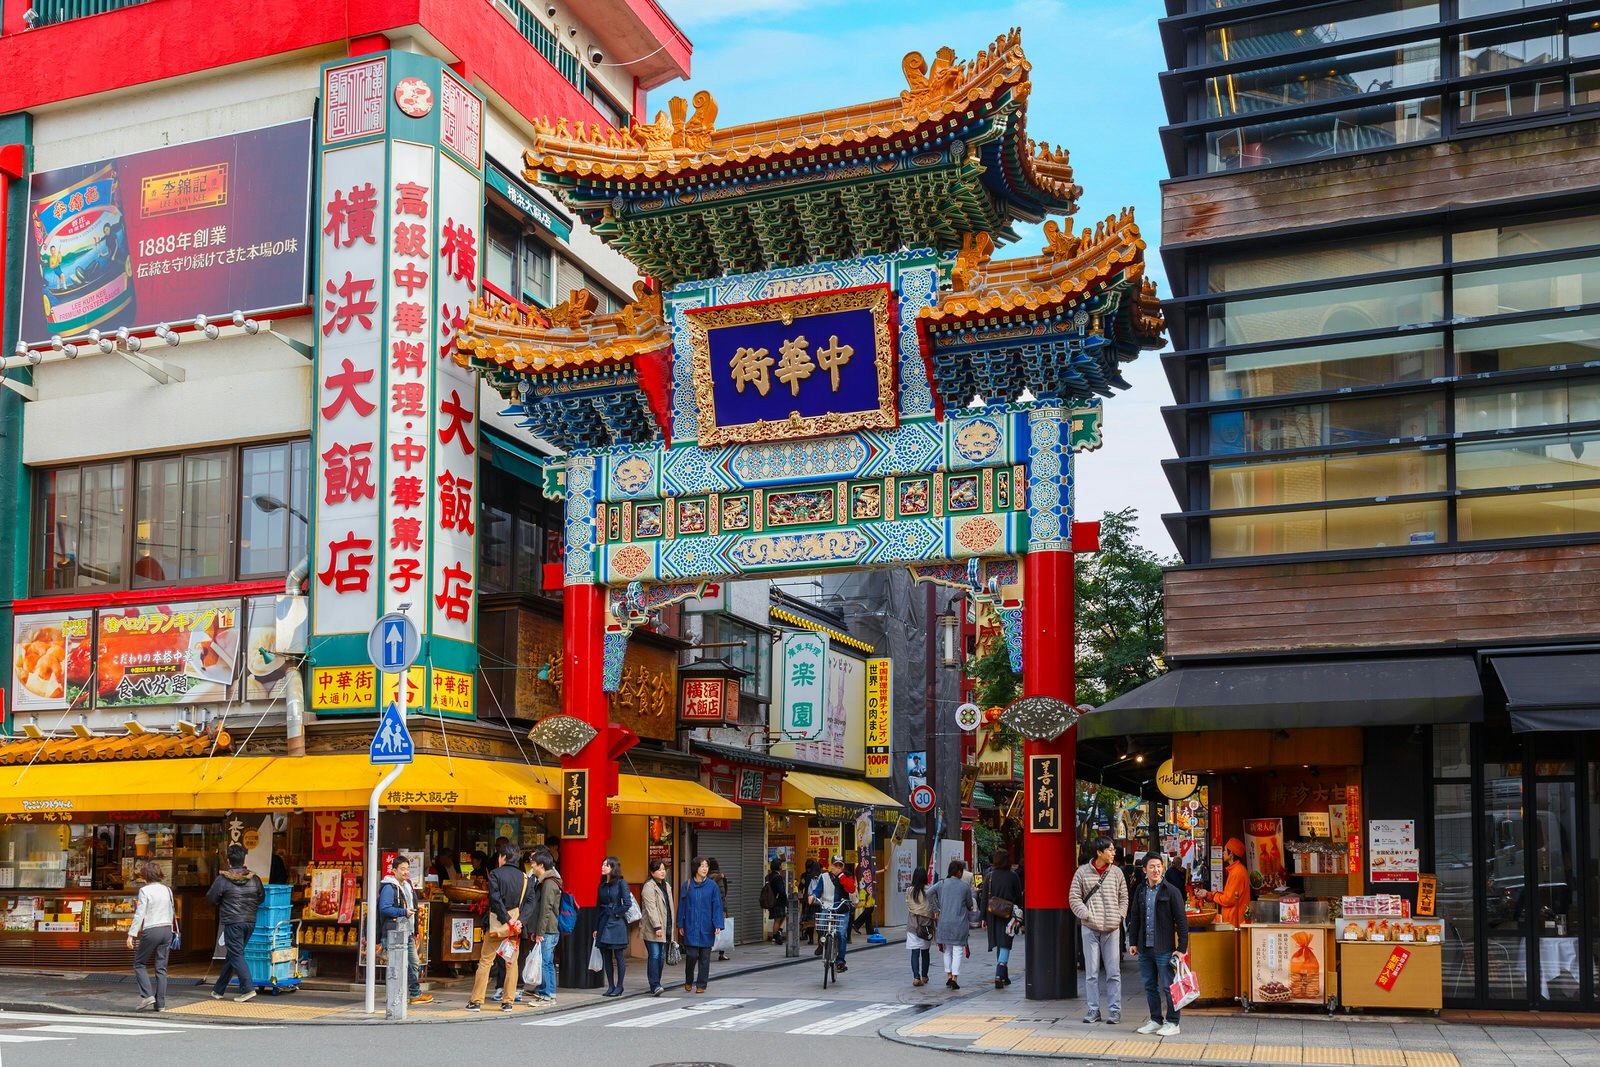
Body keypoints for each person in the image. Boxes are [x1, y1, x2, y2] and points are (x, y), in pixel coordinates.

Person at [1127, 853, 1190, 1038]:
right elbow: (1135, 916)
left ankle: (1173, 1021)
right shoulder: (1140, 890)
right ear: (1144, 870)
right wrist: (1132, 942)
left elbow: (1181, 921)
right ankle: (1156, 1019)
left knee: (1169, 986)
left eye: (1159, 866)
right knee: (1149, 985)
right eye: (1152, 867)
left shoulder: (1171, 891)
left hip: (1165, 947)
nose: (1156, 870)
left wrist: (1181, 948)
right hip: (1144, 947)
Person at [1070, 836, 1129, 1024]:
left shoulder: (1117, 873)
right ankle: (1093, 1010)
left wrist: (1119, 916)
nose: (1113, 853)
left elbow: (1124, 897)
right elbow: (1074, 898)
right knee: (1092, 973)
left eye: (1113, 850)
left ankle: (1114, 1010)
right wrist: (1086, 914)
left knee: (1113, 972)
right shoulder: (1082, 872)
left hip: (1112, 928)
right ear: (1099, 852)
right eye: (1110, 850)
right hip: (1090, 927)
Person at [467, 843, 531, 1012]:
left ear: (503, 857)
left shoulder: (495, 874)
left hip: (497, 926)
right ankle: (508, 1002)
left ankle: (476, 1001)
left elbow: (495, 900)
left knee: (486, 961)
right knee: (512, 962)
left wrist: (506, 919)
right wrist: (519, 921)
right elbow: (531, 903)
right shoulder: (525, 878)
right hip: (514, 928)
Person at [207, 844, 264, 1002]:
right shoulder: (255, 879)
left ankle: (248, 988)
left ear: (228, 860)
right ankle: (218, 990)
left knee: (236, 954)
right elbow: (261, 898)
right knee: (234, 954)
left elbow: (211, 898)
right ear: (244, 859)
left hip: (233, 922)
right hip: (250, 921)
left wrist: (222, 902)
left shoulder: (223, 879)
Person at [378, 856, 432, 1004]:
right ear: (394, 870)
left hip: (406, 932)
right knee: (395, 966)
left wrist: (414, 930)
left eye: (407, 869)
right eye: (402, 869)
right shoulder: (389, 887)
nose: (406, 872)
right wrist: (403, 912)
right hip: (394, 932)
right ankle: (394, 997)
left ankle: (414, 994)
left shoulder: (407, 885)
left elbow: (411, 906)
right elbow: (384, 908)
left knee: (413, 963)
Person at [127, 861, 174, 1011]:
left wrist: (131, 934)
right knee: (161, 968)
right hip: (167, 930)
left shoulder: (145, 891)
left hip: (152, 929)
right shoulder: (167, 890)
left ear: (145, 875)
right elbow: (172, 910)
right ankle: (160, 1005)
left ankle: (147, 996)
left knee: (139, 963)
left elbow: (140, 914)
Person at [678, 855, 723, 993]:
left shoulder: (712, 886)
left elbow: (717, 906)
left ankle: (701, 985)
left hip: (706, 926)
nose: (704, 869)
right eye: (702, 866)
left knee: (705, 957)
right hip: (690, 925)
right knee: (691, 955)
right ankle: (688, 980)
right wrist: (680, 924)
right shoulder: (687, 885)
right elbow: (682, 906)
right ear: (695, 868)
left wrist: (717, 924)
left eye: (706, 866)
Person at [932, 858, 976, 990]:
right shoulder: (964, 886)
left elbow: (929, 893)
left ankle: (949, 976)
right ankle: (955, 978)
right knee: (957, 950)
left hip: (944, 922)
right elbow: (969, 904)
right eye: (962, 871)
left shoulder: (941, 884)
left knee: (947, 950)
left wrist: (936, 909)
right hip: (959, 923)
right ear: (958, 872)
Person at [527, 848, 564, 1004]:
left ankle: (547, 994)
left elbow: (546, 909)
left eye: (533, 864)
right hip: (548, 928)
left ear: (541, 865)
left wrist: (540, 931)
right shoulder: (549, 880)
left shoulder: (549, 883)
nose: (531, 868)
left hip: (548, 929)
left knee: (546, 962)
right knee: (546, 961)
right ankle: (548, 993)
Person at [984, 847, 1023, 990]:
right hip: (1008, 914)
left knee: (999, 943)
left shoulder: (990, 876)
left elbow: (984, 899)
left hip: (992, 914)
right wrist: (1020, 916)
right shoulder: (1013, 876)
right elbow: (1019, 897)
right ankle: (1000, 974)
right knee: (1005, 943)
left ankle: (1004, 976)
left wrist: (983, 918)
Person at [595, 856, 631, 997]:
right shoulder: (602, 885)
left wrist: (616, 912)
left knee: (618, 954)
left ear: (613, 868)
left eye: (606, 865)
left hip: (617, 922)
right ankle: (610, 985)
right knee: (606, 955)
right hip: (604, 921)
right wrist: (595, 927)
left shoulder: (621, 883)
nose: (603, 867)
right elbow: (598, 906)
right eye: (603, 864)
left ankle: (620, 986)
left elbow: (627, 903)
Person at [807, 856, 851, 973]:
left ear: (843, 867)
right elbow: (818, 890)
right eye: (835, 865)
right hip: (826, 906)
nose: (837, 867)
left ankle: (840, 961)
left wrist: (841, 877)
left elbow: (850, 888)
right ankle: (822, 942)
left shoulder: (846, 876)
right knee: (821, 925)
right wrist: (813, 895)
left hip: (841, 908)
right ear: (831, 866)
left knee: (841, 934)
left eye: (840, 865)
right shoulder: (824, 877)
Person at [1196, 837, 1251, 928]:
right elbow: (1228, 894)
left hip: (1235, 921)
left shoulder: (1238, 872)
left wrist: (1213, 895)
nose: (1223, 853)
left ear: (1231, 854)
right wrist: (1207, 894)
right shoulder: (1235, 870)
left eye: (1225, 850)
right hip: (1233, 920)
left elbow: (1228, 899)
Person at [641, 858, 673, 996]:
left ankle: (657, 982)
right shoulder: (649, 887)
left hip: (666, 927)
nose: (662, 872)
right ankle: (654, 984)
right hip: (652, 928)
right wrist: (657, 926)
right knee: (654, 955)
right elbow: (651, 908)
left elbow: (670, 908)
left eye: (663, 869)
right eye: (659, 869)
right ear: (651, 872)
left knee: (661, 956)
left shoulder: (667, 886)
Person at [905, 866, 934, 987]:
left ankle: (916, 977)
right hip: (925, 925)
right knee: (925, 952)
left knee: (914, 952)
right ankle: (925, 976)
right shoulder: (930, 890)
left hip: (913, 924)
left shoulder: (910, 890)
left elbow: (908, 903)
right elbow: (932, 906)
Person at [707, 858, 731, 960]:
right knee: (722, 929)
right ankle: (721, 953)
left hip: (708, 906)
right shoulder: (719, 877)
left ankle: (705, 951)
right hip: (718, 907)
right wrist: (724, 910)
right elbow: (722, 894)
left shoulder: (705, 877)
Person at [764, 858, 789, 944]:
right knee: (779, 919)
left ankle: (777, 933)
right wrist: (786, 900)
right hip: (778, 901)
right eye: (781, 864)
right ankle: (776, 935)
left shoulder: (769, 876)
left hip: (771, 900)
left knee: (778, 918)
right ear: (778, 866)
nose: (782, 866)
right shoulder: (777, 877)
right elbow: (781, 891)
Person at [799, 859, 821, 944]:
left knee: (810, 922)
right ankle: (819, 939)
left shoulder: (805, 876)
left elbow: (801, 887)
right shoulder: (822, 877)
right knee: (819, 921)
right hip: (819, 901)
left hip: (809, 900)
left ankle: (810, 939)